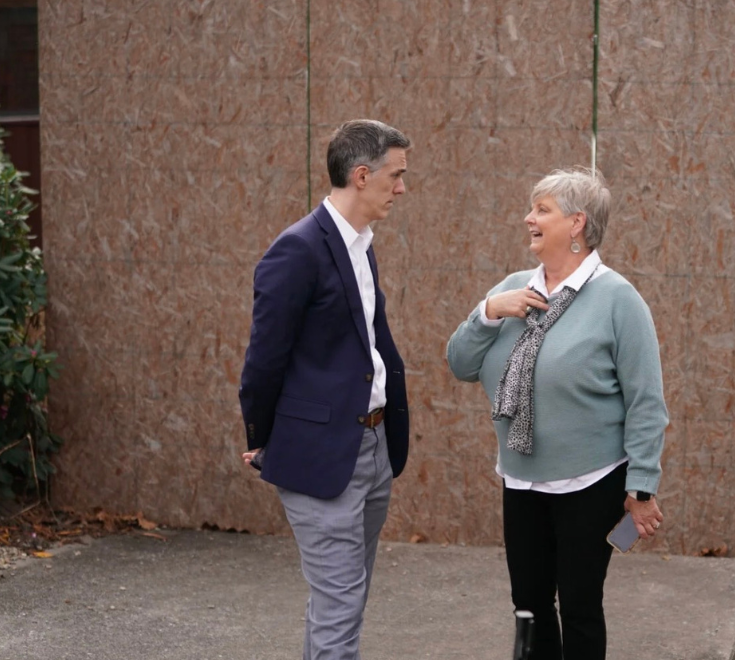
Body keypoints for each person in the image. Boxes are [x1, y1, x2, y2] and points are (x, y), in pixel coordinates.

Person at [446, 167, 669, 660]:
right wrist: (488, 312)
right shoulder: (512, 289)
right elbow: (460, 364)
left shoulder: (618, 300)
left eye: (542, 210)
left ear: (576, 224)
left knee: (580, 604)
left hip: (590, 482)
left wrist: (643, 487)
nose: (529, 218)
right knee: (528, 604)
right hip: (521, 479)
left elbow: (646, 402)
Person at [238, 119, 411, 660]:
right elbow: (263, 362)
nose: (402, 188)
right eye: (396, 175)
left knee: (343, 602)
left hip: (374, 448)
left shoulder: (361, 245)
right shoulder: (296, 251)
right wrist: (265, 440)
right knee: (339, 606)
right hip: (319, 456)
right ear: (362, 176)